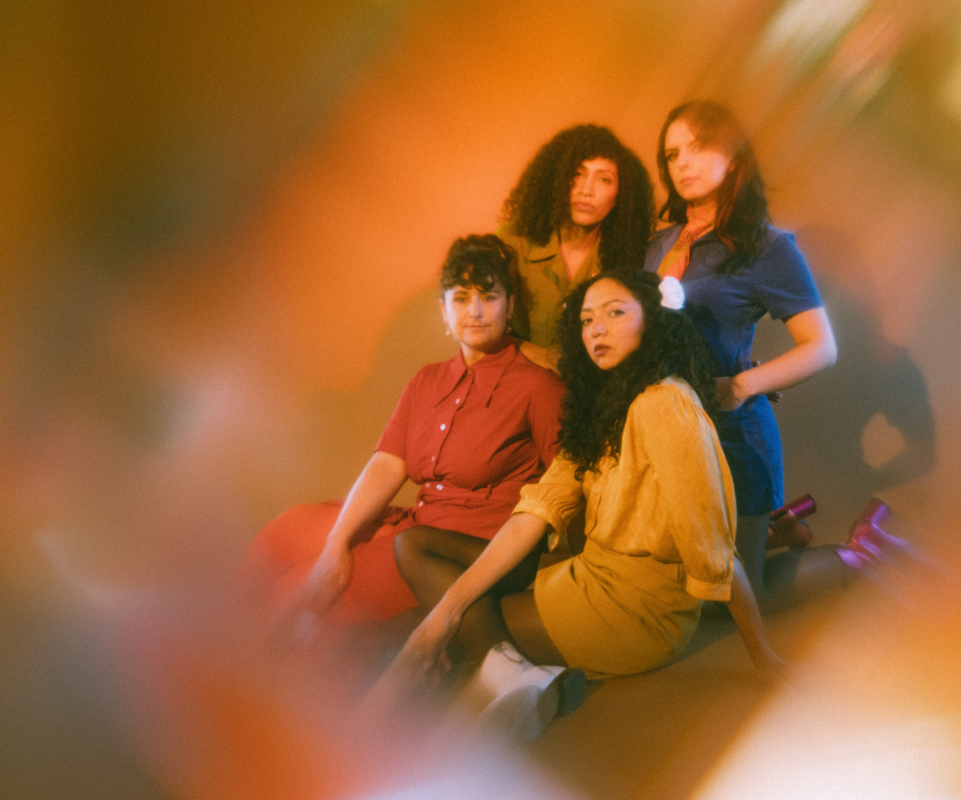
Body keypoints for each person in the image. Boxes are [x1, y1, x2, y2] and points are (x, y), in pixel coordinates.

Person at [382, 270, 783, 737]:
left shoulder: (662, 403)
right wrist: (449, 610)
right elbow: (539, 508)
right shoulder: (604, 404)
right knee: (417, 550)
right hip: (589, 577)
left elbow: (713, 549)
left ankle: (508, 675)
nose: (597, 329)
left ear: (652, 320)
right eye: (588, 319)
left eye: (615, 313)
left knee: (417, 627)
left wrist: (763, 655)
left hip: (638, 611)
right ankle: (516, 672)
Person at [242, 235, 565, 635]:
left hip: (454, 550)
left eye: (489, 296)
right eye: (461, 298)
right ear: (444, 310)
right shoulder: (427, 380)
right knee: (282, 537)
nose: (476, 311)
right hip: (414, 522)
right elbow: (387, 463)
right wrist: (337, 543)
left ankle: (248, 658)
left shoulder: (537, 386)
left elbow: (566, 485)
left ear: (510, 306)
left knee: (295, 592)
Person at [646, 101, 899, 613]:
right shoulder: (660, 243)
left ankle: (858, 553)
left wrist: (740, 386)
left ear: (733, 156)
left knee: (735, 600)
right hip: (666, 428)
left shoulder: (766, 247)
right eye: (672, 154)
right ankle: (778, 532)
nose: (683, 162)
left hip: (732, 438)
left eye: (698, 146)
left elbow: (822, 347)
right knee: (677, 579)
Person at [497, 124, 654, 369]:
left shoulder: (630, 257)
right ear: (558, 177)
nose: (586, 190)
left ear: (620, 195)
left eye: (604, 179)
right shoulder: (512, 241)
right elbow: (485, 328)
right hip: (520, 377)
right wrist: (542, 357)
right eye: (578, 174)